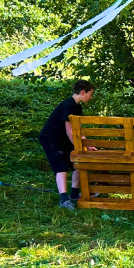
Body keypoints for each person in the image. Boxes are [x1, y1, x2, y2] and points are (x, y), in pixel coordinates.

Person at [39, 79, 95, 209]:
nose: (91, 97)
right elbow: (70, 130)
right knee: (61, 165)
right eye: (90, 94)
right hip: (51, 138)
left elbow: (77, 130)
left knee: (78, 162)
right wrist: (79, 147)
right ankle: (64, 200)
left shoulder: (77, 107)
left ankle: (74, 195)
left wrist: (86, 145)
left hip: (64, 139)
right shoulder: (68, 105)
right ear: (83, 92)